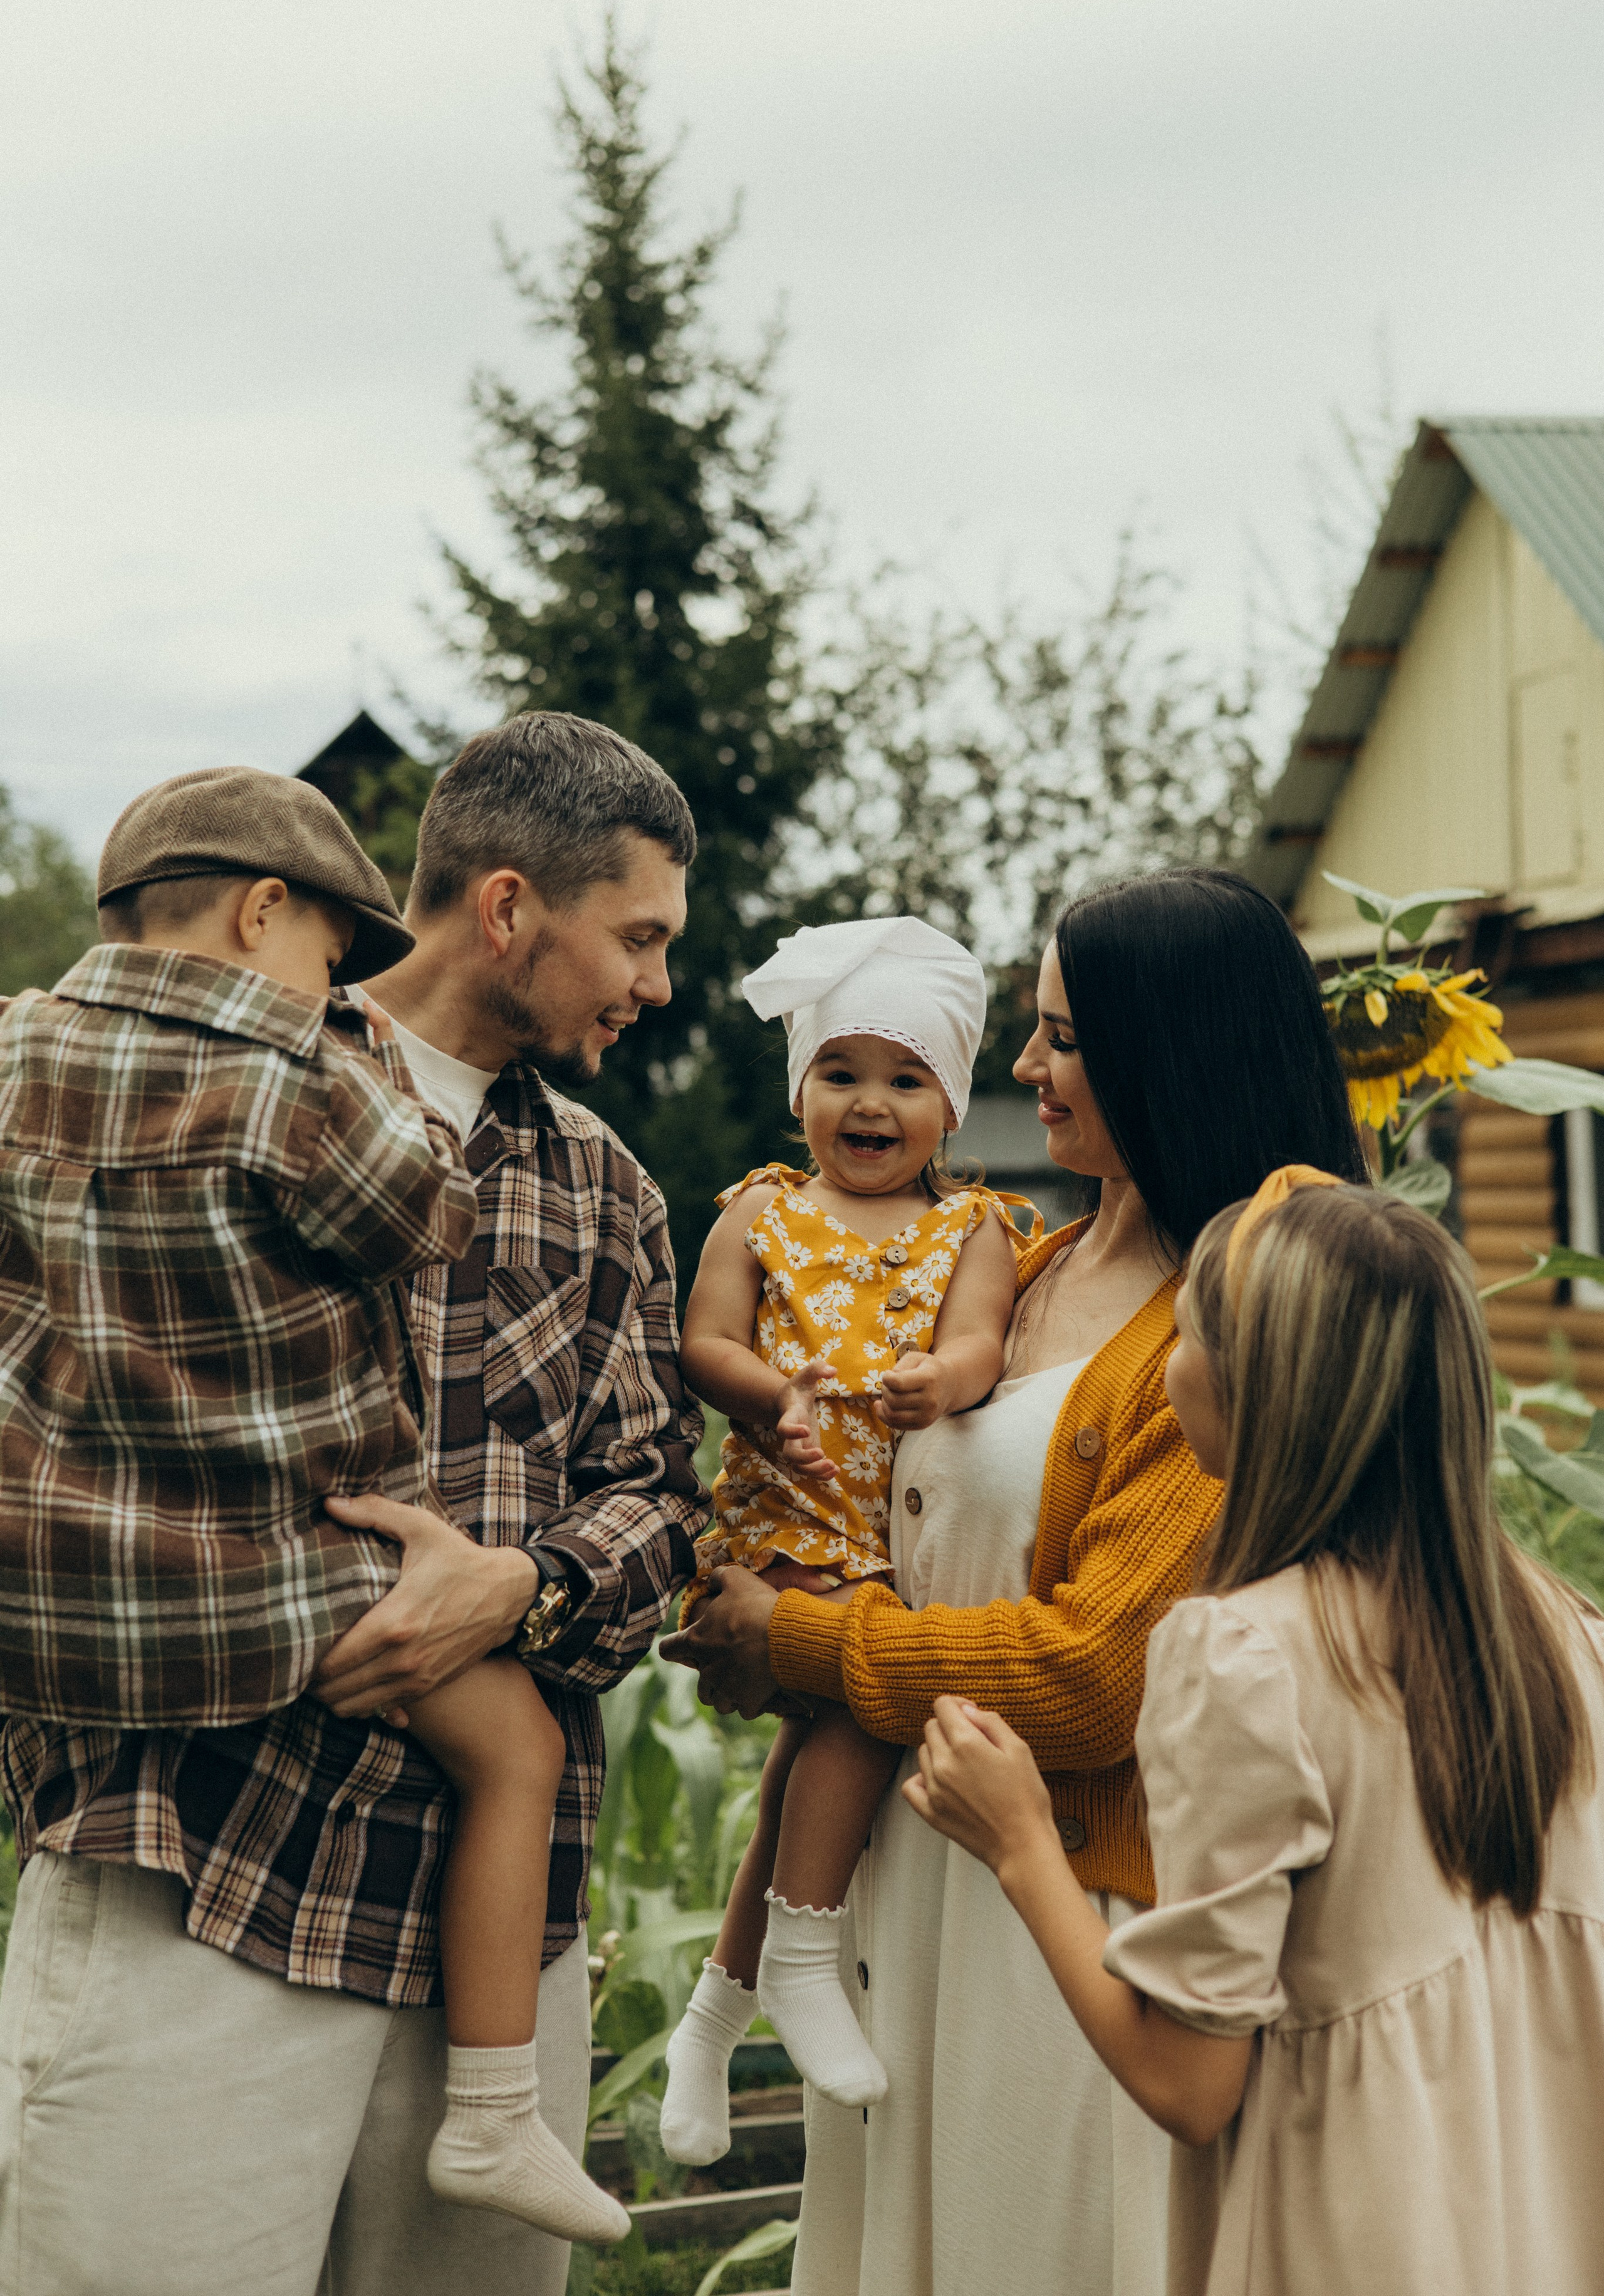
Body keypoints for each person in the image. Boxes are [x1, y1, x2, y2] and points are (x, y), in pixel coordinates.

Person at [0, 716, 708, 2296]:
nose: (657, 984)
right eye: (639, 936)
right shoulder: (181, 1080)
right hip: (198, 1867)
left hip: (489, 1954)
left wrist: (519, 1587)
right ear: (510, 908)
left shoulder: (604, 1189)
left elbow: (659, 1497)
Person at [663, 868, 1368, 2296]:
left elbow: (1097, 1674)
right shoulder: (1027, 1268)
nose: (1027, 1066)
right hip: (914, 1851)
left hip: (1066, 1887)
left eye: (1065, 1037)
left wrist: (804, 1644)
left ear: (1169, 1053)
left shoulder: (1232, 1324)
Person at [907, 1168, 1604, 2296]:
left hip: (1350, 2234)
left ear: (1260, 1388)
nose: (1165, 1365)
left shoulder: (1242, 1659)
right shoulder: (1574, 1638)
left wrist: (1021, 1841)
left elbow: (1189, 2084)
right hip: (1542, 2231)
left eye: (1187, 1334)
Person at [660, 919, 1026, 2161]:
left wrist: (944, 1380)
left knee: (795, 1778)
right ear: (800, 1090)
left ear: (950, 1106)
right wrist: (776, 1396)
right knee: (868, 1706)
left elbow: (980, 1338)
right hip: (784, 1520)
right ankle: (805, 1952)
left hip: (891, 1544)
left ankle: (714, 2016)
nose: (870, 1102)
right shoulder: (762, 1214)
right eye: (840, 1072)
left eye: (906, 1079)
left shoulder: (973, 1227)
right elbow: (704, 1341)